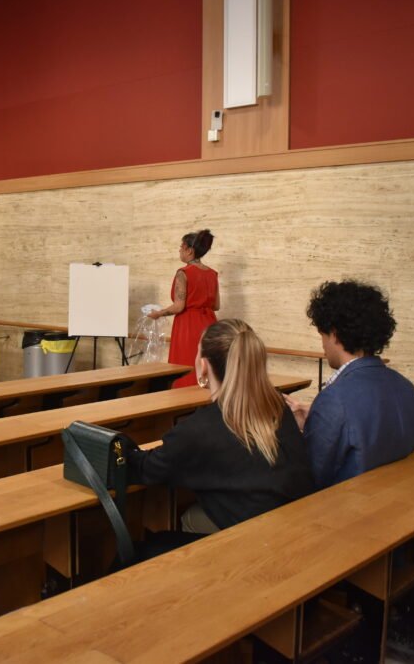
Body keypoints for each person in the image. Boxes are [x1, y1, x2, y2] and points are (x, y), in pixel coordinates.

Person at [127, 319, 315, 534]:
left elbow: (147, 468)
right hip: (296, 525)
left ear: (204, 366)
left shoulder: (199, 429)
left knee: (188, 518)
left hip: (255, 541)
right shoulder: (279, 407)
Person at [284, 281, 414, 489]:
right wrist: (317, 421)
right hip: (398, 499)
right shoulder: (407, 388)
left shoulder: (334, 400)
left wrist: (297, 432)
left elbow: (312, 477)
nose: (323, 345)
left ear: (334, 334)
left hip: (347, 510)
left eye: (322, 336)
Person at [147, 229, 219, 387]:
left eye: (181, 247)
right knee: (207, 364)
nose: (179, 250)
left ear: (189, 250)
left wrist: (158, 313)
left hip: (188, 325)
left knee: (185, 366)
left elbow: (179, 306)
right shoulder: (212, 274)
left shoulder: (184, 273)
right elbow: (216, 305)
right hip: (210, 324)